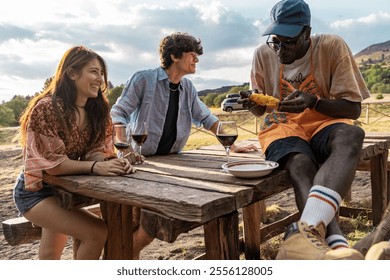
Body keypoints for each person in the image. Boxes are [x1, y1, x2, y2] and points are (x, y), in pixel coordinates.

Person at [240, 0, 370, 260]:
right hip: (281, 124)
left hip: (323, 119)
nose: (279, 49)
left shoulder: (332, 46)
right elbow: (262, 110)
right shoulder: (262, 54)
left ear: (306, 34)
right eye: (275, 40)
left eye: (287, 41)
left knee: (352, 134)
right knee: (301, 163)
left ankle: (305, 229)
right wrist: (253, 103)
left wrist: (315, 102)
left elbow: (353, 110)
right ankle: (336, 242)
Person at [110, 32, 258, 259]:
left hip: (171, 162)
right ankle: (115, 260)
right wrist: (125, 149)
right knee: (141, 225)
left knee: (151, 223)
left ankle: (120, 258)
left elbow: (207, 118)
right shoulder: (143, 79)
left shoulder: (187, 87)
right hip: (141, 163)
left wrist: (233, 145)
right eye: (192, 55)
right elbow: (118, 113)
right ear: (174, 56)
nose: (196, 60)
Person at [13, 46, 136, 260]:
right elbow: (53, 165)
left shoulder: (96, 110)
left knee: (50, 256)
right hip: (36, 191)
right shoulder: (47, 109)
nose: (100, 79)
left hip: (65, 190)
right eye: (94, 71)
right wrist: (96, 167)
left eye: (101, 73)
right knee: (97, 233)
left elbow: (95, 152)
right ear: (71, 73)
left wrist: (113, 163)